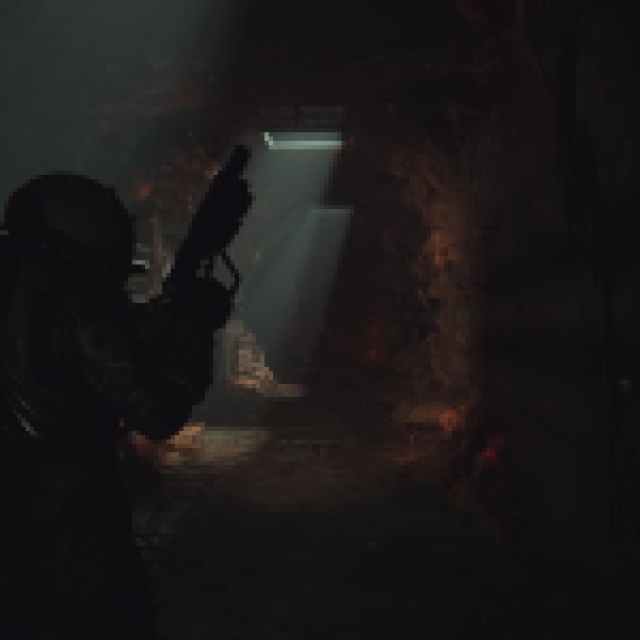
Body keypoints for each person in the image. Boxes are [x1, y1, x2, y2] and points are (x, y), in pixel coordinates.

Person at [0, 171, 250, 639]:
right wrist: (193, 330)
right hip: (67, 522)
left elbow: (109, 338)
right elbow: (157, 410)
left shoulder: (24, 283)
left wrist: (171, 307)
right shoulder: (75, 295)